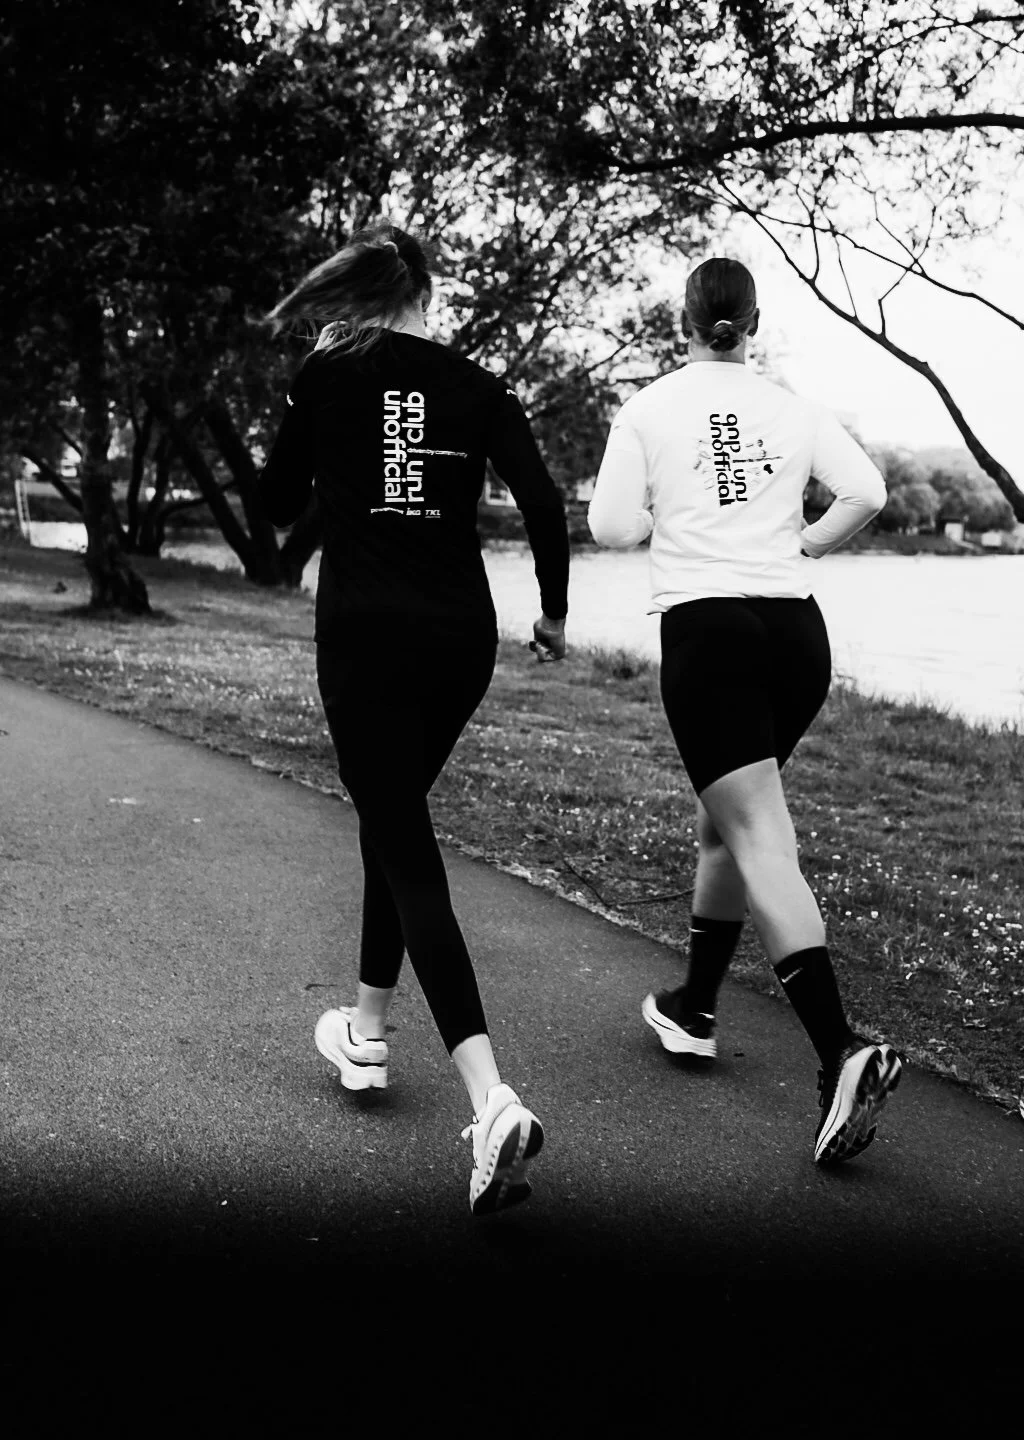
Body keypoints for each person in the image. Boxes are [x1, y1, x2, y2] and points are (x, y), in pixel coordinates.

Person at [258, 221, 570, 1213]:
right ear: (424, 295)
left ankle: (492, 1100)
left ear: (355, 297)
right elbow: (546, 504)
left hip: (365, 638)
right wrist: (553, 616)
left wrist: (312, 424)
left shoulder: (326, 374)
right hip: (459, 643)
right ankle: (366, 1029)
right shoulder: (477, 385)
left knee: (403, 839)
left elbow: (272, 504)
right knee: (392, 825)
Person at [587, 256, 901, 1165]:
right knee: (726, 826)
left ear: (681, 321)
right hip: (796, 636)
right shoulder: (792, 404)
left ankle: (841, 1051)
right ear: (753, 322)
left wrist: (671, 514)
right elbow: (869, 494)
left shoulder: (647, 409)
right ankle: (693, 1007)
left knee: (759, 835)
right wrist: (801, 542)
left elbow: (611, 528)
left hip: (710, 637)